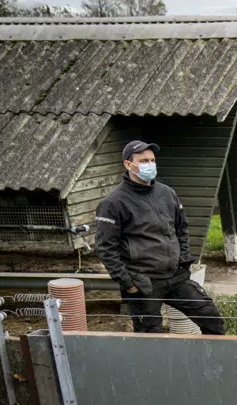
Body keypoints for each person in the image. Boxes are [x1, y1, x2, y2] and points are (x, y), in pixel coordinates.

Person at [94, 140, 225, 335]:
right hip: (143, 283)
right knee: (150, 338)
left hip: (175, 277)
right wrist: (128, 283)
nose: (150, 164)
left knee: (212, 320)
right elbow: (105, 248)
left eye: (152, 160)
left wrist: (183, 263)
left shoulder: (167, 193)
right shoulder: (113, 203)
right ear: (128, 164)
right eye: (144, 160)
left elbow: (181, 230)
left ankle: (208, 364)